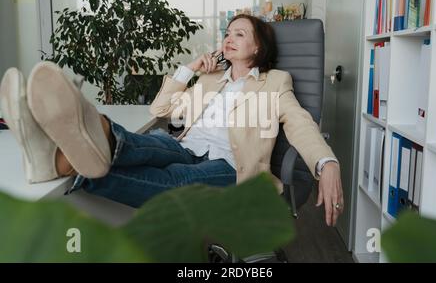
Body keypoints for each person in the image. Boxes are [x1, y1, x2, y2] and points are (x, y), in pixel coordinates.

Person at [0, 14, 344, 226]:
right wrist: (191, 69)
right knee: (144, 145)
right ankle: (90, 135)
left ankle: (63, 159)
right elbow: (160, 110)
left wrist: (325, 162)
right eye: (227, 32)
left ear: (258, 47)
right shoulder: (211, 80)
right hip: (187, 146)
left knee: (175, 180)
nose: (228, 37)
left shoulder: (275, 81)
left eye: (239, 33)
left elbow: (300, 122)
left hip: (230, 164)